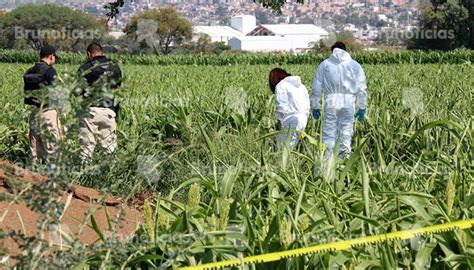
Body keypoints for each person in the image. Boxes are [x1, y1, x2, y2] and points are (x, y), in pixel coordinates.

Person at [311, 42, 368, 159]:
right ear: (345, 50)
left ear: (332, 51)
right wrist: (362, 107)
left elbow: (316, 87)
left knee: (329, 133)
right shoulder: (355, 65)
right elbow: (361, 88)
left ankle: (328, 162)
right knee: (346, 131)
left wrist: (315, 106)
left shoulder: (324, 65)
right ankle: (344, 162)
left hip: (330, 101)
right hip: (348, 101)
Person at [77, 42, 122, 163]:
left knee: (86, 150)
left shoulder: (85, 68)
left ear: (89, 54)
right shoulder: (114, 67)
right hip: (109, 112)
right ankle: (110, 176)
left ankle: (84, 178)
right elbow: (116, 87)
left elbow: (77, 91)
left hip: (89, 112)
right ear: (102, 52)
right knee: (110, 150)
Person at [23, 45, 60, 163]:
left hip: (34, 113)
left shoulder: (31, 70)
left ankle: (33, 176)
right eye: (55, 57)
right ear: (51, 56)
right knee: (52, 149)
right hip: (47, 112)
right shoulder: (50, 71)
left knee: (35, 150)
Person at [269, 68, 310, 149]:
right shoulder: (301, 86)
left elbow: (281, 107)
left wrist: (278, 123)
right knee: (295, 147)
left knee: (284, 150)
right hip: (303, 119)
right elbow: (307, 105)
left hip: (290, 120)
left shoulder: (280, 86)